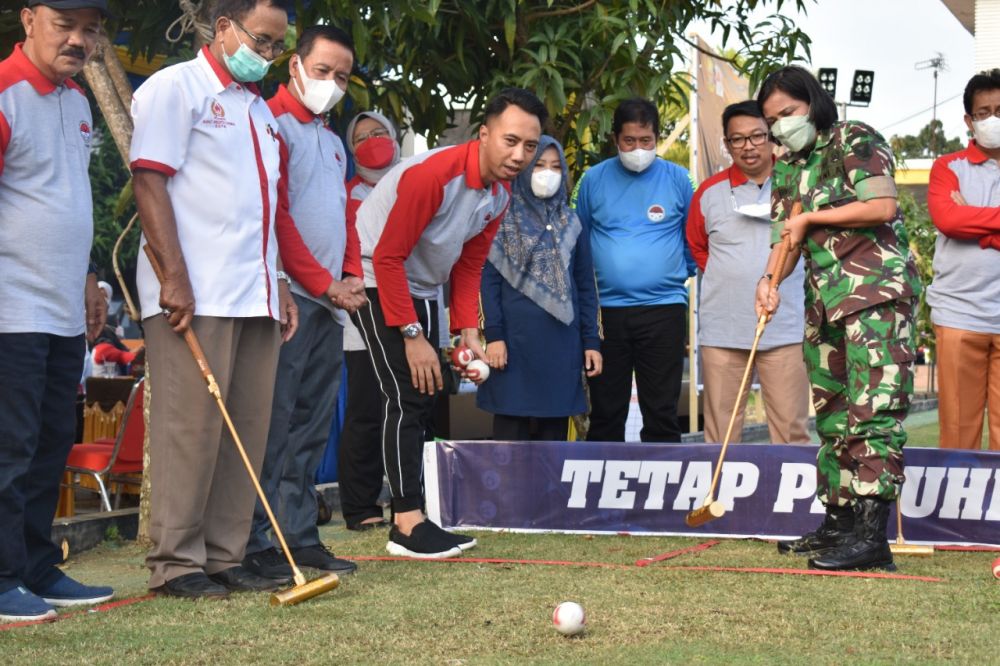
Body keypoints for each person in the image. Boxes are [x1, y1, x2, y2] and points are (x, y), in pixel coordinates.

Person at [131, 0, 343, 599]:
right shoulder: (177, 88)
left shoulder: (258, 111)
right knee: (191, 427)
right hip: (194, 293)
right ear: (223, 28)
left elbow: (264, 212)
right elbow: (149, 178)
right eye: (262, 39)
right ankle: (176, 561)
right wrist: (173, 276)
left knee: (245, 429)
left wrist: (278, 282)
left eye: (277, 45)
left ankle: (224, 556)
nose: (269, 54)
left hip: (255, 293)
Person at [353, 87, 546, 558]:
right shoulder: (433, 176)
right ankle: (406, 524)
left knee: (425, 396)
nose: (519, 155)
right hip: (373, 276)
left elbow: (468, 265)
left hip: (420, 285)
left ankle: (414, 514)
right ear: (484, 134)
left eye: (529, 146)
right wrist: (413, 334)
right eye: (510, 141)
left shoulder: (499, 194)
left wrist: (468, 332)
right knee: (405, 395)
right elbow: (388, 255)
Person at [756, 65, 921, 571]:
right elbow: (786, 239)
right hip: (824, 304)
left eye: (789, 112)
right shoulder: (786, 167)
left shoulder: (853, 138)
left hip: (875, 297)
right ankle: (840, 525)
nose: (782, 125)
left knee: (872, 412)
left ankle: (872, 540)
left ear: (812, 102)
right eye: (772, 120)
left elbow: (882, 204)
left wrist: (812, 217)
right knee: (832, 415)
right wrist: (768, 282)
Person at [0, 0, 114, 622]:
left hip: (63, 310)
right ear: (27, 19)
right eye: (64, 24)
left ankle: (36, 566)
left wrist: (91, 280)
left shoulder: (76, 101)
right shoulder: (5, 92)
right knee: (8, 449)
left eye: (89, 30)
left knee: (50, 443)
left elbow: (72, 200)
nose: (77, 40)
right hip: (10, 310)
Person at [242, 25, 366, 582]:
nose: (332, 84)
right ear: (295, 64)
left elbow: (344, 215)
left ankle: (299, 535)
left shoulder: (332, 137)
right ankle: (256, 541)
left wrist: (351, 274)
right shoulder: (269, 123)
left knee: (311, 427)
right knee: (273, 425)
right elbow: (278, 216)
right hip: (289, 297)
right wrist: (319, 282)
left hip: (329, 301)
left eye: (342, 76)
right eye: (323, 71)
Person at [686, 100, 810, 445]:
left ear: (772, 136)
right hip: (723, 330)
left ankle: (792, 501)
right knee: (720, 435)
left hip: (784, 328)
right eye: (737, 139)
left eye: (757, 136)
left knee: (791, 431)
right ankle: (717, 499)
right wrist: (733, 277)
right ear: (726, 144)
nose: (748, 146)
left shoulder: (798, 185)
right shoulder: (708, 194)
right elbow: (698, 247)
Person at [574, 98, 696, 443]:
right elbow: (577, 240)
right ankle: (602, 490)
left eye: (646, 141)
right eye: (630, 141)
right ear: (615, 139)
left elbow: (695, 238)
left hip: (664, 309)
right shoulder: (592, 179)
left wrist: (672, 274)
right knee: (606, 413)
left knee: (661, 412)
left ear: (657, 137)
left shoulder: (678, 178)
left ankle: (663, 492)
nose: (638, 149)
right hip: (605, 314)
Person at [477, 135, 602, 440]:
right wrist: (493, 336)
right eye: (539, 165)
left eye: (556, 167)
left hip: (561, 348)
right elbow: (486, 281)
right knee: (509, 444)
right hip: (511, 349)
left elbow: (586, 286)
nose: (548, 173)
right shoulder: (501, 219)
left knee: (553, 447)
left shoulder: (572, 222)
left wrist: (591, 342)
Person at [926, 69, 1000, 452]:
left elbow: (961, 221)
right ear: (969, 121)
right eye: (984, 112)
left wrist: (977, 226)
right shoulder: (947, 167)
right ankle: (956, 515)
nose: (993, 119)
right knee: (957, 438)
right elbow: (948, 220)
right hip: (959, 314)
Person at [337, 110, 401, 531]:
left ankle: (408, 500)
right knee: (365, 409)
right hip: (359, 304)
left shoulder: (412, 182)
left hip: (409, 303)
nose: (373, 140)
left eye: (380, 132)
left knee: (410, 406)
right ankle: (360, 506)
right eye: (362, 137)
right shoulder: (344, 194)